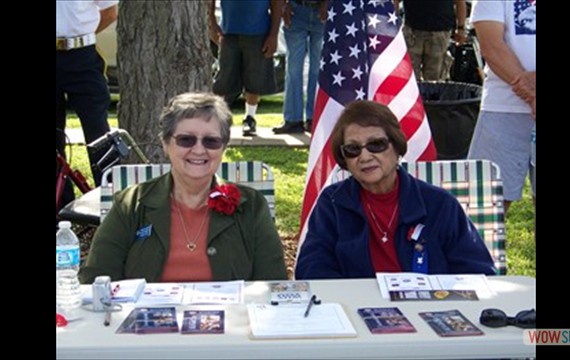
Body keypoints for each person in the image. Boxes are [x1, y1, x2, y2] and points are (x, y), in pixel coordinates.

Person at [79, 92, 287, 283]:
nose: (198, 150)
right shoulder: (130, 204)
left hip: (232, 321)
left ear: (223, 147)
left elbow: (273, 282)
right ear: (166, 144)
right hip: (145, 322)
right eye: (186, 140)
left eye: (211, 141)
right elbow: (96, 279)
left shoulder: (251, 205)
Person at [295, 100, 496, 279]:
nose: (364, 157)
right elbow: (311, 268)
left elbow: (478, 271)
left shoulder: (440, 205)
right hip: (355, 310)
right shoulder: (333, 203)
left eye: (376, 144)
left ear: (397, 146)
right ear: (344, 159)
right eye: (353, 149)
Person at [467, 0, 535, 213]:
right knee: (486, 205)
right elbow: (491, 46)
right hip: (502, 108)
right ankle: (481, 249)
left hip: (508, 102)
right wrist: (532, 94)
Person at [56, 0, 118, 212]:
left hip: (83, 55)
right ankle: (61, 209)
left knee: (98, 133)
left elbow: (110, 12)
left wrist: (82, 35)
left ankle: (112, 205)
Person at [210, 0, 283, 136]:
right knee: (224, 80)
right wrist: (212, 24)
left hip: (258, 31)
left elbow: (277, 4)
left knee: (254, 78)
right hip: (228, 32)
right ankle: (217, 120)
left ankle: (250, 118)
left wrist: (273, 36)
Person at [272, 0, 326, 134]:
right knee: (293, 69)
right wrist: (284, 5)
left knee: (318, 70)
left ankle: (314, 118)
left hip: (322, 12)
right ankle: (292, 120)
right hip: (296, 11)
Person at [398, 0, 466, 81]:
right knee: (409, 78)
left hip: (440, 31)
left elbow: (460, 2)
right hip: (412, 32)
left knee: (435, 80)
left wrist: (461, 28)